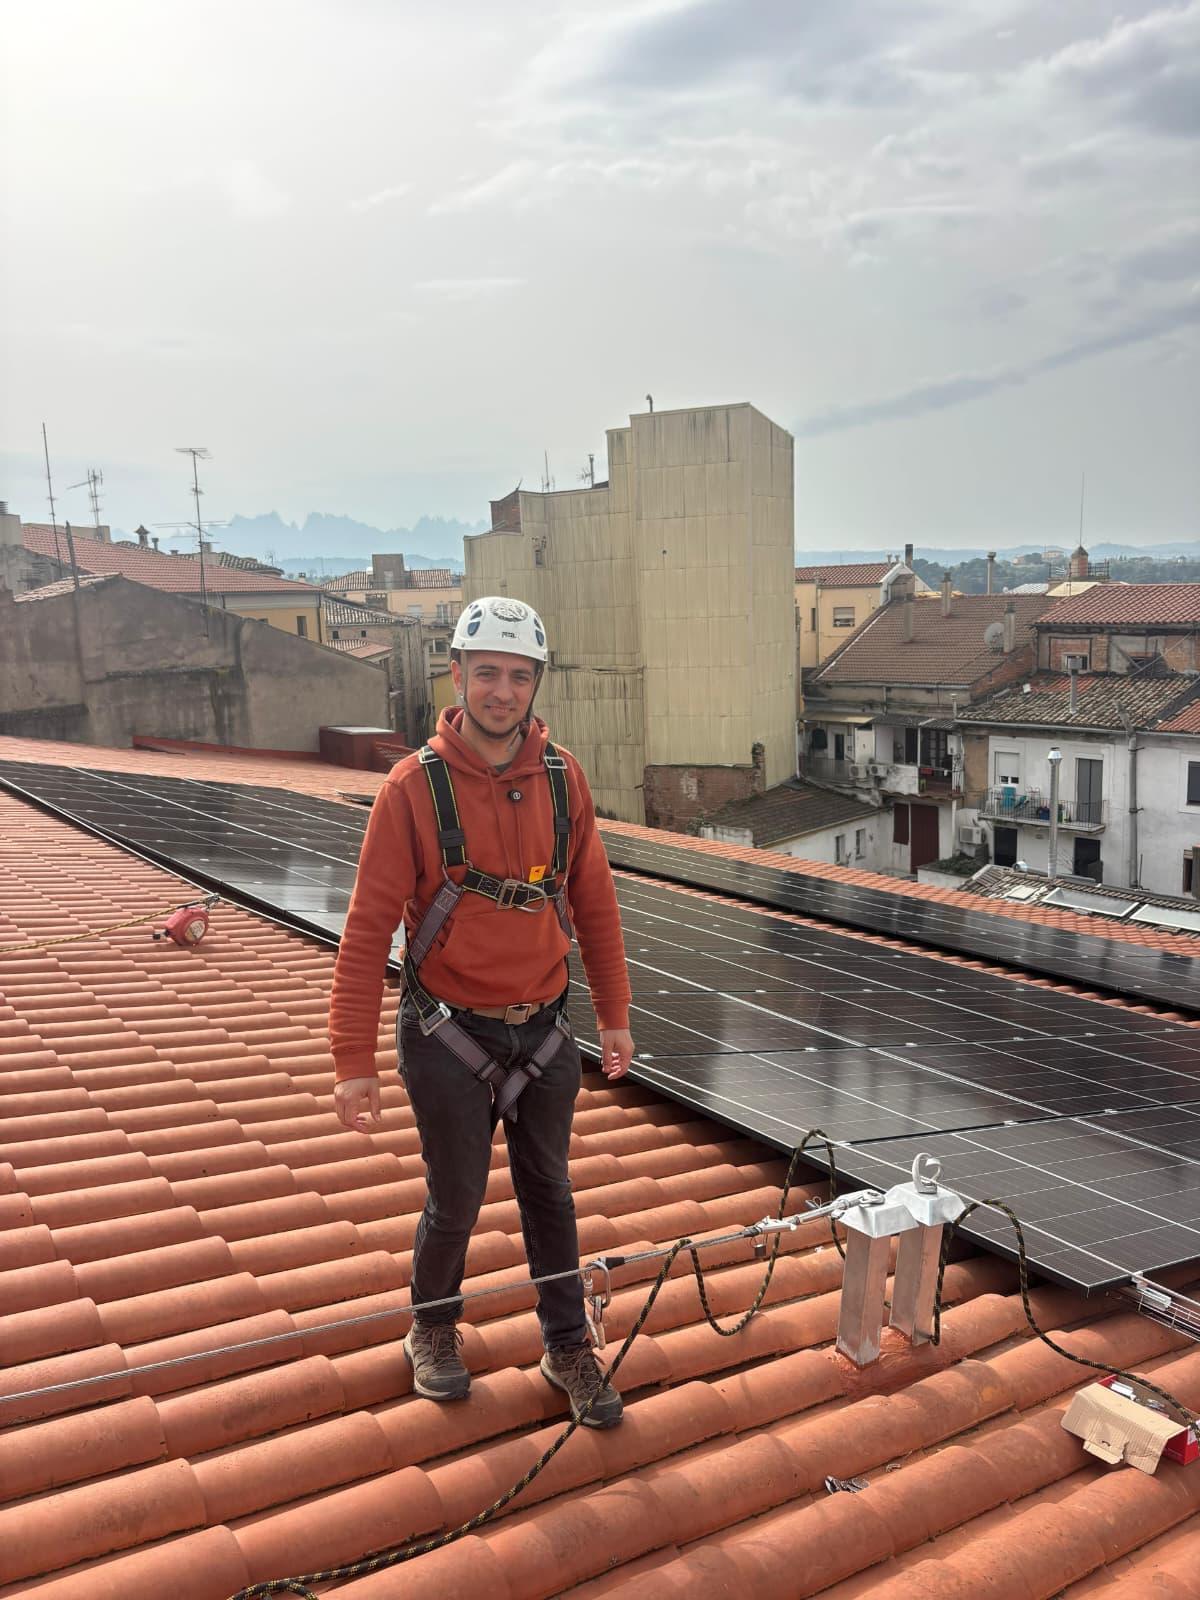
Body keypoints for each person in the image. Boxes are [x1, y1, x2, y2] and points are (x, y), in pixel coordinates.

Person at [329, 595, 634, 1428]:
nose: (503, 691)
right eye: (488, 672)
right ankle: (431, 1327)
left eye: (519, 676)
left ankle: (566, 1342)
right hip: (447, 1030)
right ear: (457, 674)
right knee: (456, 1196)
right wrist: (353, 1063)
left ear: (537, 684)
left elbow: (596, 904)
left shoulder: (564, 780)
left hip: (543, 1028)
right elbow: (364, 933)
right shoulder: (412, 789)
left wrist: (614, 1012)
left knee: (551, 1192)